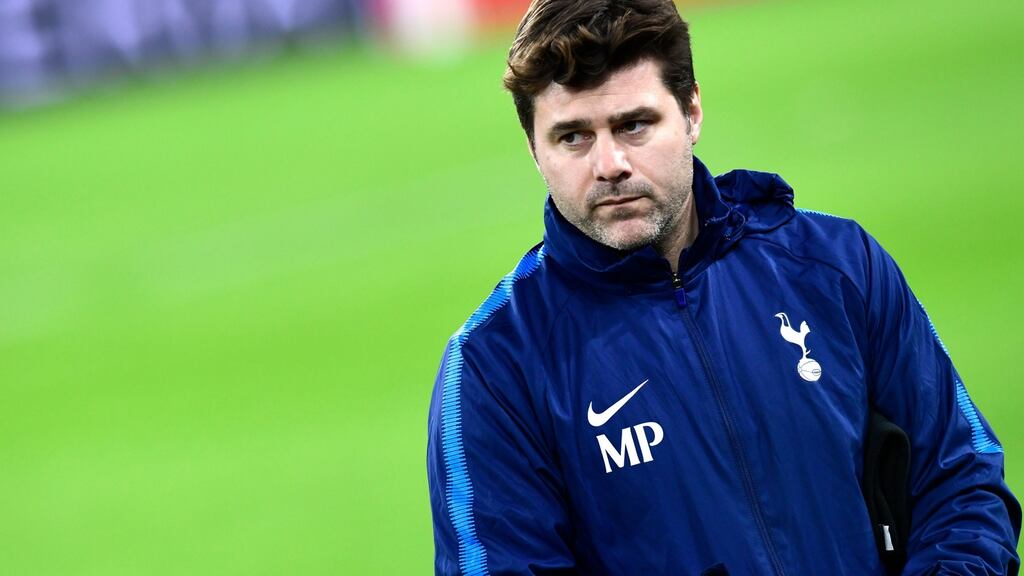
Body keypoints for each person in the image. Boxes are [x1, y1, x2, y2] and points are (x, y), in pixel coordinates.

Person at [425, 0, 1021, 574]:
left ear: (692, 112)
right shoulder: (494, 366)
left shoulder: (836, 266)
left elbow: (963, 486)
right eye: (573, 137)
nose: (609, 165)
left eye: (634, 125)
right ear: (535, 148)